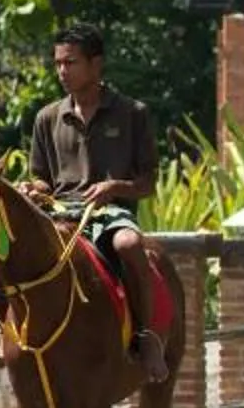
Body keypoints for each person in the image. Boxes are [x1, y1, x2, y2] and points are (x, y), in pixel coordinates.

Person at [26, 23, 167, 384]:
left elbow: (148, 182)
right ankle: (12, 338)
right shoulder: (47, 118)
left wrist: (115, 187)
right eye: (57, 63)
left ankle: (146, 337)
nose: (61, 71)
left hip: (110, 212)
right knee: (12, 249)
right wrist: (33, 189)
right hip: (59, 213)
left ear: (96, 64)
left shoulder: (132, 113)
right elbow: (42, 176)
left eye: (70, 63)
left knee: (130, 244)